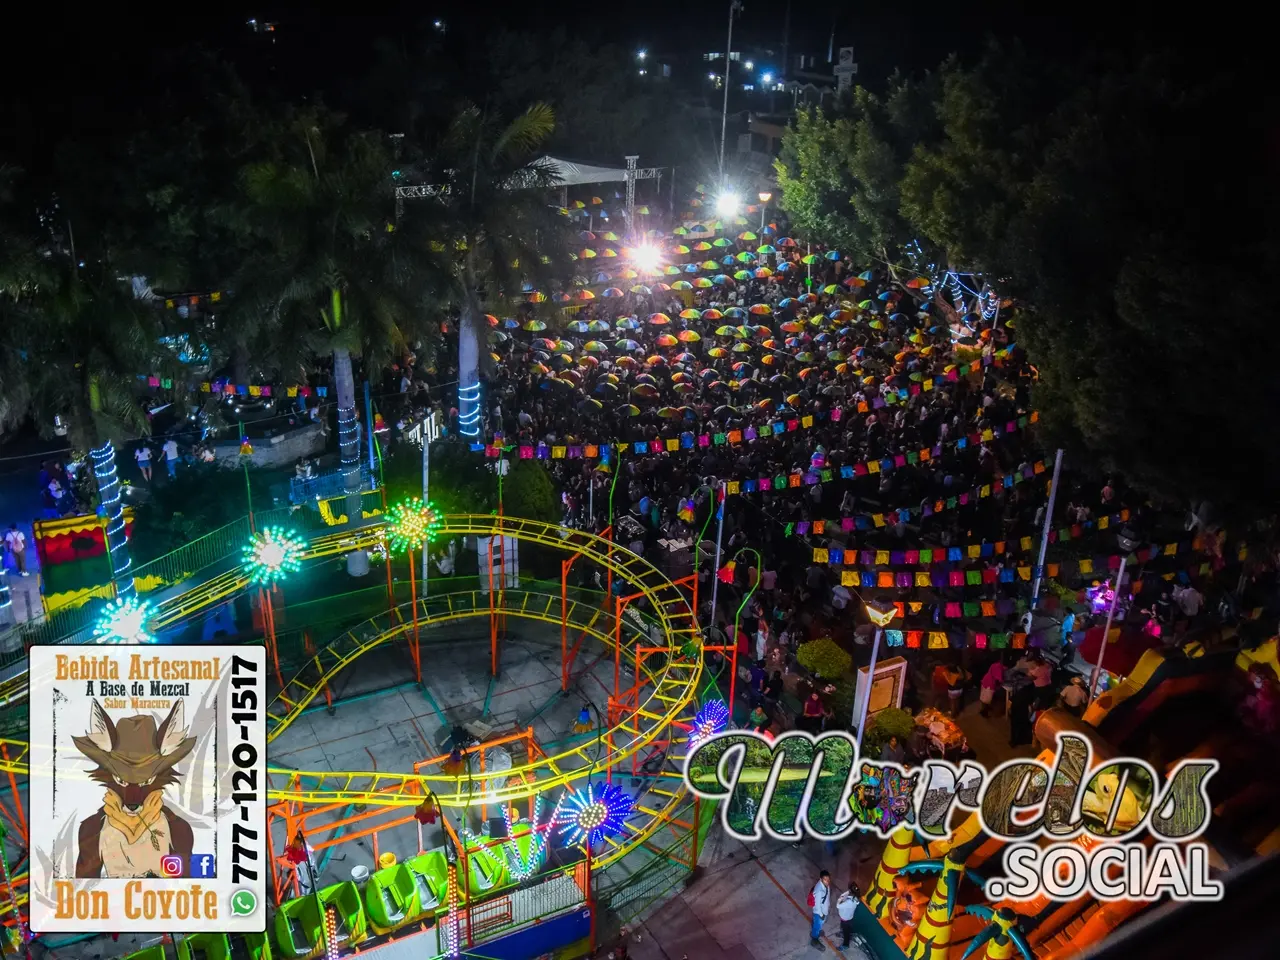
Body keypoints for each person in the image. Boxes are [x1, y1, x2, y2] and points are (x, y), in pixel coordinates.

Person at [808, 870, 831, 949]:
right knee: (818, 926)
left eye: (828, 879)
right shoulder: (819, 891)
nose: (827, 881)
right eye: (825, 879)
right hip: (819, 913)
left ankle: (816, 930)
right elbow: (817, 906)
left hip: (824, 910)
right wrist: (821, 915)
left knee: (818, 925)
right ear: (821, 879)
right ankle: (814, 939)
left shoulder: (826, 885)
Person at [836, 883, 861, 951]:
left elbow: (838, 906)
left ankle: (845, 945)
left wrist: (839, 900)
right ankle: (842, 934)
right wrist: (848, 892)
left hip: (845, 920)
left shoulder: (849, 903)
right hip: (847, 918)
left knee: (846, 932)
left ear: (850, 891)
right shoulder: (855, 899)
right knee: (845, 929)